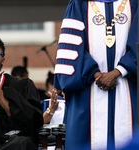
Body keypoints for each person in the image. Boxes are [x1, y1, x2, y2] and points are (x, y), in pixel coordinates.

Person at [54, 0, 138, 150]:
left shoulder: (135, 3)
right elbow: (72, 46)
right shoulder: (78, 4)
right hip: (88, 89)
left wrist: (119, 71)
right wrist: (94, 73)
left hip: (129, 88)